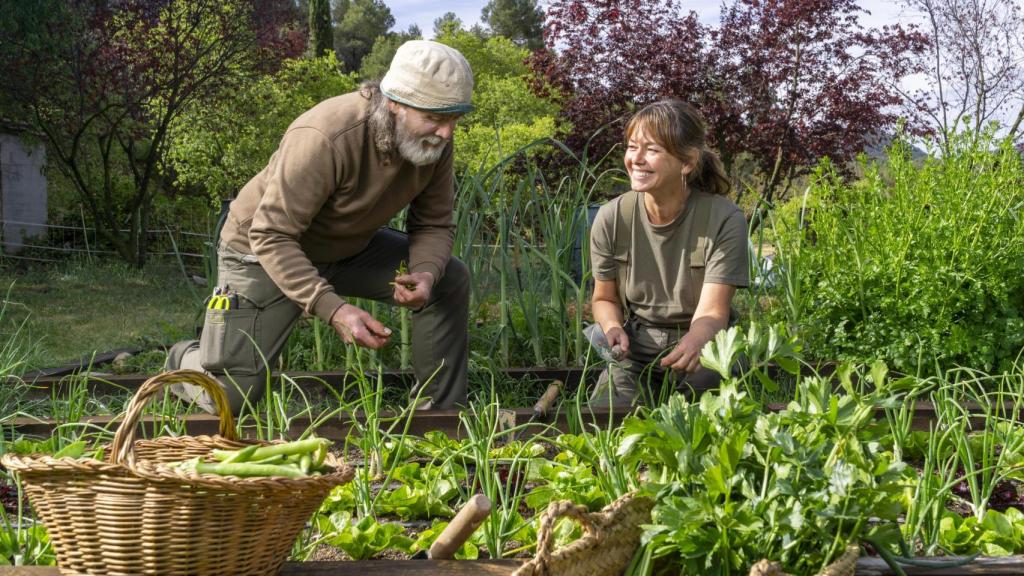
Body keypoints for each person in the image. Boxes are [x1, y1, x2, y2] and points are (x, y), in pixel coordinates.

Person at [165, 40, 473, 414]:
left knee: (448, 278)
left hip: (345, 246)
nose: (445, 132)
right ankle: (185, 359)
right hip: (260, 251)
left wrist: (425, 274)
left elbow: (434, 222)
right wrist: (334, 309)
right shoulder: (324, 135)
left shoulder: (433, 143)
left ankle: (439, 415)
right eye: (435, 118)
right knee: (229, 400)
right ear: (395, 102)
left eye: (454, 118)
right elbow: (271, 234)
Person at [588, 99, 749, 406]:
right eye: (633, 146)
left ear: (687, 162)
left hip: (703, 343)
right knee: (607, 417)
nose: (637, 159)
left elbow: (714, 312)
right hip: (636, 348)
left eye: (652, 149)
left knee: (706, 419)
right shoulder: (611, 218)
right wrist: (611, 328)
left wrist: (696, 341)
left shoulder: (724, 219)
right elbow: (604, 298)